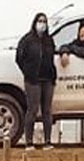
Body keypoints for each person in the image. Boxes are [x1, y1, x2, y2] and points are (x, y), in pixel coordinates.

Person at [15, 12, 57, 150]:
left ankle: (48, 141)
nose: (42, 24)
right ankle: (29, 142)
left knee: (47, 110)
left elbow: (53, 55)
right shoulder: (27, 40)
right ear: (34, 22)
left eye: (44, 21)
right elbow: (19, 58)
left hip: (48, 79)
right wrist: (28, 72)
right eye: (39, 21)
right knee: (32, 110)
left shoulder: (49, 40)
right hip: (33, 80)